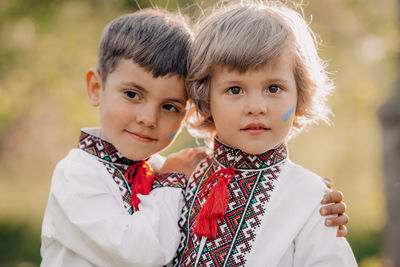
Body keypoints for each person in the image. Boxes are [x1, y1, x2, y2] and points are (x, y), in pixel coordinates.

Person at [173, 1, 357, 266]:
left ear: (299, 96)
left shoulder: (311, 197)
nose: (256, 107)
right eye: (235, 90)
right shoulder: (179, 177)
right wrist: (168, 173)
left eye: (273, 88)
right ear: (206, 97)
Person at [40, 9, 206, 267]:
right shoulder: (77, 175)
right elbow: (137, 253)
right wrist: (172, 181)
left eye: (170, 107)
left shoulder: (162, 171)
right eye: (132, 94)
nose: (148, 118)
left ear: (187, 116)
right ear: (96, 88)